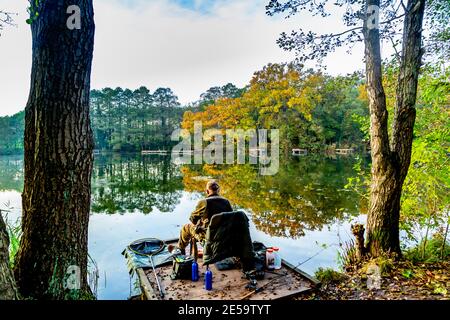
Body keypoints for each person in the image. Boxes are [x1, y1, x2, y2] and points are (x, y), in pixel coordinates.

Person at [168, 180, 233, 255]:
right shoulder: (226, 202)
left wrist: (201, 222)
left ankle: (180, 248)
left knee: (186, 228)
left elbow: (193, 220)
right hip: (223, 239)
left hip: (208, 239)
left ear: (207, 191)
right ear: (219, 191)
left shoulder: (204, 202)